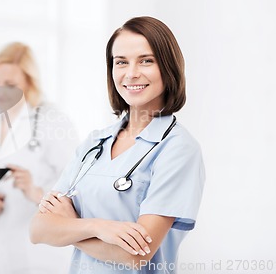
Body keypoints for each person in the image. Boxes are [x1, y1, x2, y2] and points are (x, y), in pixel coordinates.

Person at [30, 16, 206, 274]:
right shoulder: (95, 143)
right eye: (121, 62)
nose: (131, 73)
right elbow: (38, 229)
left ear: (168, 67)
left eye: (146, 60)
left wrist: (70, 226)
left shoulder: (177, 148)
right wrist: (98, 227)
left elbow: (136, 256)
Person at [0, 42, 79, 273]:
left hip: (41, 258)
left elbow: (80, 190)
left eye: (10, 84)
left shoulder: (52, 121)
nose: (0, 91)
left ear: (29, 83)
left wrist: (35, 192)